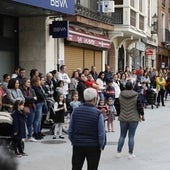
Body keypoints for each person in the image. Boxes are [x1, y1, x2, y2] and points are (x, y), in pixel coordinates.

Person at [68, 88, 106, 170]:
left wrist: (73, 141)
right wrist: (101, 145)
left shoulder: (76, 111)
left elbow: (70, 130)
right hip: (93, 145)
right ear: (95, 99)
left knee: (76, 167)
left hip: (78, 144)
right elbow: (101, 133)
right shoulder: (98, 113)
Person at [115, 81, 145, 159]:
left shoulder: (121, 95)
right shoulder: (136, 95)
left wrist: (119, 114)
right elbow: (139, 106)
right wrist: (142, 115)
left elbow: (117, 106)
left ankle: (118, 153)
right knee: (131, 136)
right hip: (134, 118)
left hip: (123, 117)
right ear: (132, 87)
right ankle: (130, 154)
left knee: (122, 135)